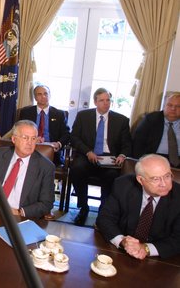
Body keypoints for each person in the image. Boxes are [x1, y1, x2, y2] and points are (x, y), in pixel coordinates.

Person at [96, 154, 180, 259]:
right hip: (122, 253)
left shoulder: (178, 196)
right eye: (155, 179)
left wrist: (146, 248)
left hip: (161, 258)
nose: (164, 184)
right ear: (140, 180)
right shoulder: (123, 185)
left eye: (167, 176)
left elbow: (178, 239)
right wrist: (122, 241)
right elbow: (105, 218)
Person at [70, 87, 132, 225]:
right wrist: (87, 151)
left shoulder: (121, 120)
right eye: (102, 100)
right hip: (88, 155)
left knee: (112, 176)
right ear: (95, 102)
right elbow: (74, 138)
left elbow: (127, 144)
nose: (106, 103)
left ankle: (103, 210)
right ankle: (83, 207)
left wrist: (122, 155)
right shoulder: (83, 116)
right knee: (77, 169)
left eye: (108, 100)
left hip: (109, 159)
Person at [0, 120, 55, 219]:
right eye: (25, 138)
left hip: (20, 218)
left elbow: (46, 203)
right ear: (13, 139)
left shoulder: (45, 167)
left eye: (33, 138)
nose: (30, 142)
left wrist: (19, 212)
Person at [17, 84, 70, 163]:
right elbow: (19, 131)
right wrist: (33, 139)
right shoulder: (26, 112)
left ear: (50, 96)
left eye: (45, 94)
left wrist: (58, 144)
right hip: (30, 147)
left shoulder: (59, 114)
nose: (43, 96)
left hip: (51, 150)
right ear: (35, 97)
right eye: (39, 94)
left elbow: (66, 134)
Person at [133, 92, 180, 168]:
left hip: (178, 160)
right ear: (164, 105)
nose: (173, 109)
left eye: (178, 106)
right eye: (170, 105)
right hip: (154, 159)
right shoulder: (150, 119)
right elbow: (138, 144)